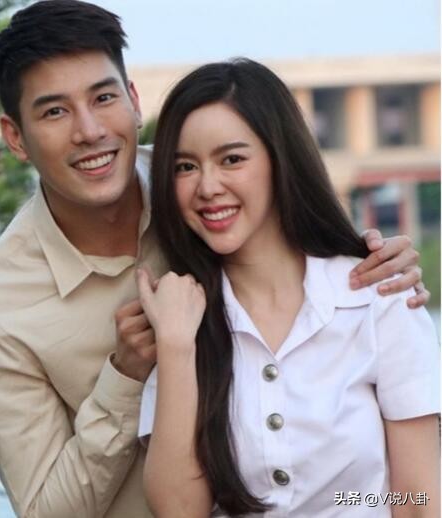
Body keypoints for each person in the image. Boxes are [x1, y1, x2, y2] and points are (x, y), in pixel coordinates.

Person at [0, 1, 430, 517]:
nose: (88, 130)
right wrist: (126, 375)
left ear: (134, 100)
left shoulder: (202, 191)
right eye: (54, 111)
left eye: (104, 97)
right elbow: (47, 511)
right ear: (15, 137)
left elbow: (415, 497)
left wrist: (371, 258)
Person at [138, 58, 440, 518]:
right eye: (185, 166)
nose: (207, 186)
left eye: (232, 159)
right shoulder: (180, 317)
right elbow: (178, 511)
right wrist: (176, 347)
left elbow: (418, 500)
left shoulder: (379, 295)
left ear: (280, 160)